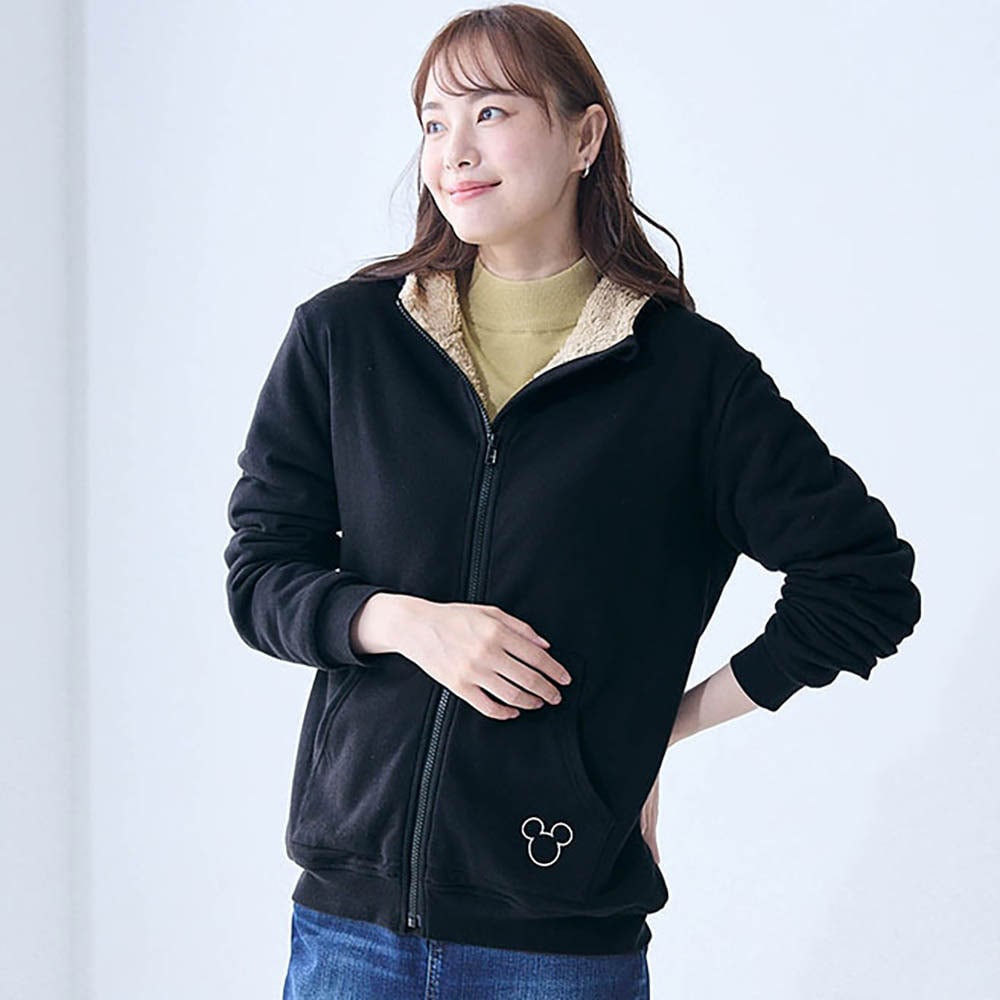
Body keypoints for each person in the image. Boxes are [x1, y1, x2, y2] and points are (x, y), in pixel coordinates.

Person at [223, 5, 922, 998]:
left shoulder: (689, 379)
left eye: (490, 112)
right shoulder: (346, 339)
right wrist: (408, 623)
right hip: (350, 931)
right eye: (433, 122)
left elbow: (863, 580)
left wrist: (651, 729)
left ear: (583, 135)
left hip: (557, 946)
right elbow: (261, 574)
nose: (454, 151)